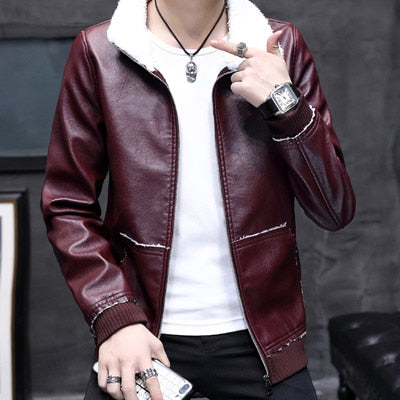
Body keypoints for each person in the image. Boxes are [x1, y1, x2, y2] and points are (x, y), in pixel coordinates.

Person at [41, 0, 355, 399]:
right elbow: (67, 204)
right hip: (141, 339)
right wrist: (115, 315)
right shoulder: (101, 50)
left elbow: (334, 208)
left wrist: (283, 101)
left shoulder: (277, 46)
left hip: (267, 346)